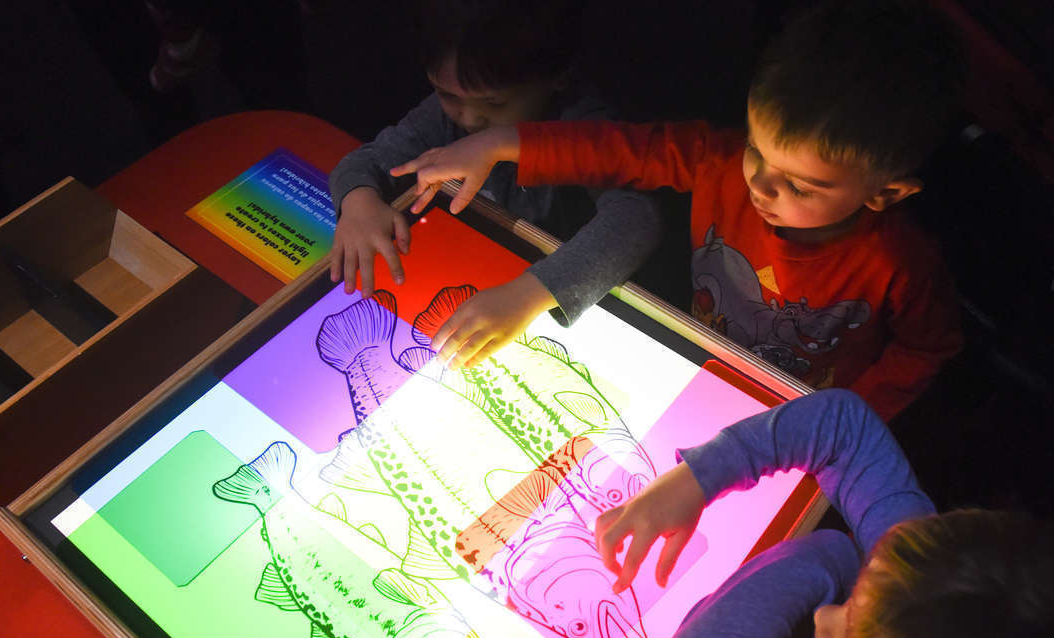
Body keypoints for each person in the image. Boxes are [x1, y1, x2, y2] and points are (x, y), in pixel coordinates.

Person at [392, 0, 966, 420]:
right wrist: (501, 142)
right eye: (755, 151)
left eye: (800, 186)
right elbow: (622, 152)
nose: (759, 187)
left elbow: (927, 348)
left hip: (799, 411)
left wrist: (846, 420)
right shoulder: (716, 160)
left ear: (884, 194)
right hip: (700, 366)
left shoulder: (901, 264)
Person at [595, 388, 1054, 638]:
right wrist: (695, 478)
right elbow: (842, 424)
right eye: (859, 591)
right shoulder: (926, 577)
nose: (824, 619)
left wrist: (833, 557)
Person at [324, 0, 661, 368]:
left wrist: (527, 295)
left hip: (567, 303)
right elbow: (367, 160)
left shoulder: (583, 127)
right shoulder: (442, 115)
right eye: (448, 94)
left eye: (495, 103)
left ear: (557, 76)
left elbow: (637, 220)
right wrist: (358, 202)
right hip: (472, 279)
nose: (469, 118)